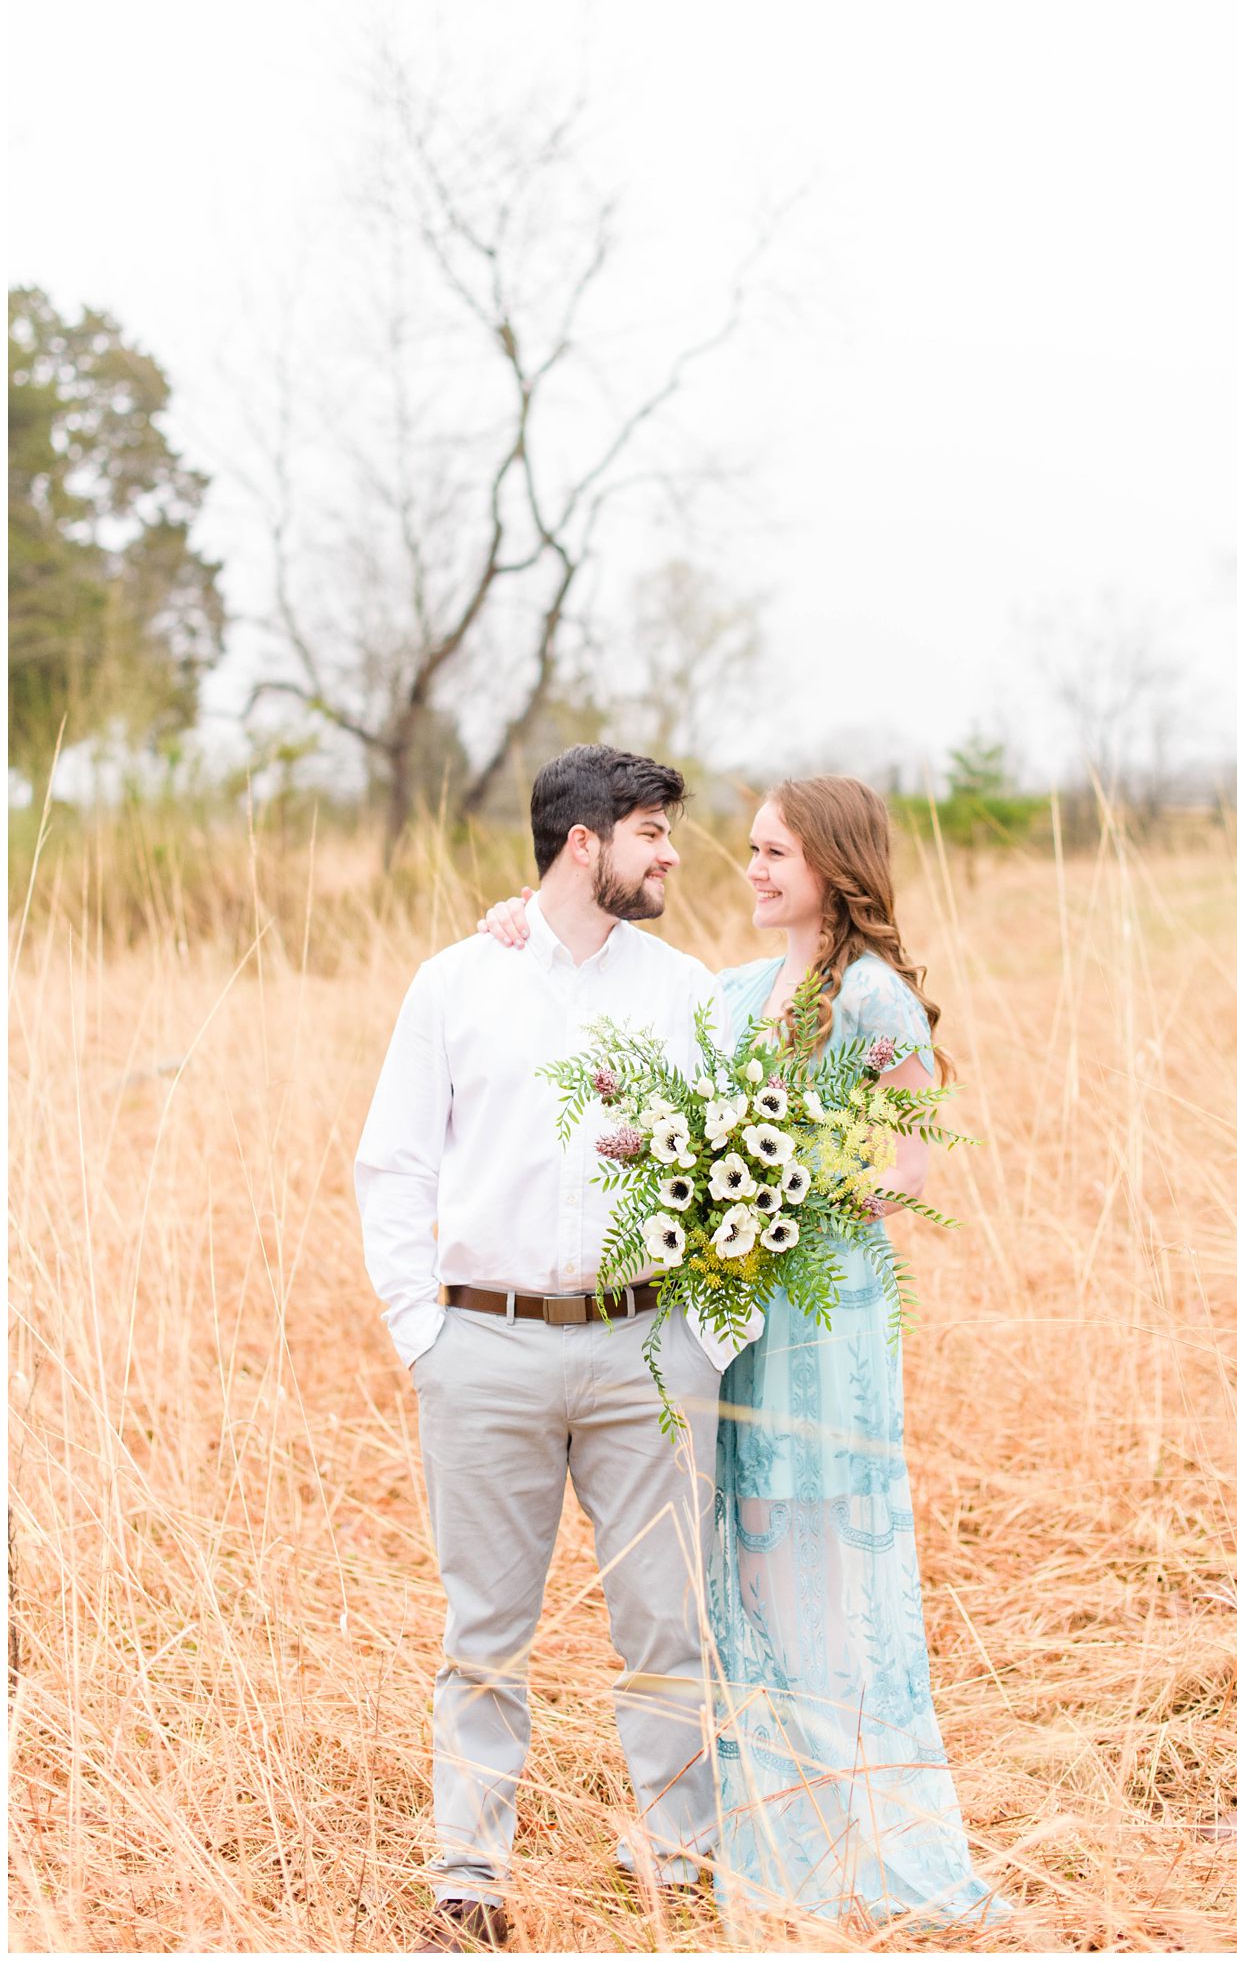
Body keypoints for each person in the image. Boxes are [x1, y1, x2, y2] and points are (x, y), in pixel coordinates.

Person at [478, 774, 1011, 1933]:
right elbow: (613, 1017)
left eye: (775, 852)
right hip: (735, 1320)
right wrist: (510, 923)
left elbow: (904, 1175)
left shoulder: (873, 1001)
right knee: (747, 1567)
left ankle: (862, 1824)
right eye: (753, 850)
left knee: (828, 1560)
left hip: (830, 1317)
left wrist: (774, 1177)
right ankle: (772, 1823)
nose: (752, 868)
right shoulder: (727, 997)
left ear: (833, 863)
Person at [356, 744, 751, 1953]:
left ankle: (682, 1863)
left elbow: (736, 1164)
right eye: (650, 832)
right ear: (583, 843)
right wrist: (425, 1334)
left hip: (648, 1352)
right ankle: (468, 1874)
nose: (672, 852)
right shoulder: (455, 984)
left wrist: (709, 1337)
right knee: (483, 1629)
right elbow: (393, 1164)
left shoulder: (685, 988)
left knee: (667, 1622)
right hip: (484, 1347)